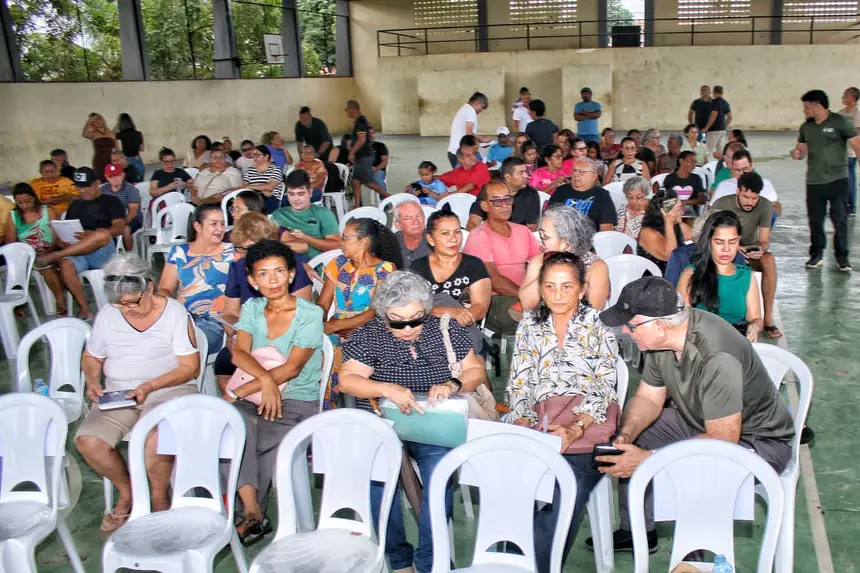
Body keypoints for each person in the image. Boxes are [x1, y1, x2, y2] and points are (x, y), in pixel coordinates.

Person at [592, 276, 794, 552]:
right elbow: (648, 398)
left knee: (695, 472)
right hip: (702, 420)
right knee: (637, 438)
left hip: (758, 442)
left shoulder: (717, 357)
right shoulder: (661, 341)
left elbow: (723, 439)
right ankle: (637, 530)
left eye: (631, 325)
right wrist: (626, 436)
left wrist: (648, 460)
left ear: (660, 325)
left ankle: (699, 555)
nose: (626, 331)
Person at [338, 272, 485, 573]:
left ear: (426, 310)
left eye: (415, 319)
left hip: (433, 424)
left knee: (439, 475)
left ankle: (428, 561)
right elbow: (348, 380)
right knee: (377, 480)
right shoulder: (369, 335)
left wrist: (453, 384)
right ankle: (399, 560)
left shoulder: (444, 328)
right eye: (397, 322)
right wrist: (386, 388)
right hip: (384, 422)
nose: (407, 328)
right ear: (384, 315)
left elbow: (476, 371)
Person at [505, 251, 618, 573]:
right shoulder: (530, 324)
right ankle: (508, 561)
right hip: (538, 421)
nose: (557, 295)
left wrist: (574, 428)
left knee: (563, 493)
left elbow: (604, 386)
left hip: (587, 424)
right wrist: (525, 422)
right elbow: (519, 382)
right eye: (550, 286)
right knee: (506, 488)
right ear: (540, 288)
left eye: (566, 287)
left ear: (582, 289)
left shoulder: (599, 325)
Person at [74, 253, 200, 533]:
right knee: (88, 442)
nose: (127, 309)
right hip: (120, 393)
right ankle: (128, 491)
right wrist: (92, 381)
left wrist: (149, 387)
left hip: (169, 388)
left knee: (155, 437)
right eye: (120, 304)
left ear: (150, 287)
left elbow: (190, 367)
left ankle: (158, 497)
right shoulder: (109, 314)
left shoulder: (175, 313)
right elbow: (92, 357)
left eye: (133, 302)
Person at [226, 240, 322, 543]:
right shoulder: (252, 308)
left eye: (279, 271)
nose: (273, 280)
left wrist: (243, 389)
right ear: (252, 280)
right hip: (256, 394)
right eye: (263, 274)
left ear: (291, 274)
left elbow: (292, 368)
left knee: (260, 440)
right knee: (231, 428)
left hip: (297, 397)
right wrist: (266, 382)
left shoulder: (310, 314)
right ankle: (253, 510)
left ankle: (251, 514)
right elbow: (239, 353)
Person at [216, 215, 312, 389]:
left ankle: (263, 398)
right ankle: (238, 403)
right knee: (224, 362)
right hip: (249, 336)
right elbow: (229, 313)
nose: (247, 254)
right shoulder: (238, 268)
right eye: (241, 249)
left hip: (285, 336)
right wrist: (235, 334)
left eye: (251, 248)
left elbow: (303, 313)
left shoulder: (291, 266)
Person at [318, 219, 401, 409]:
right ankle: (326, 409)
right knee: (320, 346)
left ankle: (361, 406)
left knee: (346, 348)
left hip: (369, 330)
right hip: (335, 328)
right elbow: (323, 303)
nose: (341, 242)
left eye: (345, 238)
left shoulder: (385, 270)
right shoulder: (337, 264)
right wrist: (319, 323)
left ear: (363, 241)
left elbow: (373, 311)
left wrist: (335, 326)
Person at [37, 167, 126, 320]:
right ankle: (84, 309)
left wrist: (92, 235)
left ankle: (56, 256)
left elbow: (119, 228)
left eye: (87, 186)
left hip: (102, 251)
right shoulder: (75, 205)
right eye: (79, 187)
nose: (83, 191)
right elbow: (67, 227)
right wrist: (63, 240)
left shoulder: (111, 201)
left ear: (97, 183)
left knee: (101, 234)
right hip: (78, 250)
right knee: (65, 264)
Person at [792, 89, 860, 271]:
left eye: (807, 107)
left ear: (818, 105)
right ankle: (816, 255)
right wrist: (797, 153)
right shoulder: (806, 127)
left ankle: (842, 258)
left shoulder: (840, 122)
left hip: (838, 179)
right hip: (814, 181)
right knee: (815, 220)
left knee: (840, 220)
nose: (804, 111)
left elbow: (857, 145)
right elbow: (801, 149)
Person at [463, 181, 542, 335]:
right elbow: (493, 280)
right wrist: (527, 295)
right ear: (485, 206)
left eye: (508, 199)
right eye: (497, 202)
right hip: (493, 300)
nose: (505, 205)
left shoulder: (522, 231)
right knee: (535, 318)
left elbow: (541, 263)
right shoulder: (479, 236)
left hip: (525, 295)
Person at [711, 171, 781, 338]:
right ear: (738, 191)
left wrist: (759, 250)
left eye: (754, 198)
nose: (750, 202)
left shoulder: (765, 206)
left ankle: (767, 319)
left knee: (769, 260)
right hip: (724, 250)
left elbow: (764, 240)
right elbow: (709, 236)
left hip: (749, 251)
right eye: (745, 197)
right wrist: (734, 247)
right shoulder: (721, 204)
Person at [158, 204, 234, 354]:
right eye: (214, 224)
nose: (220, 229)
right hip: (182, 318)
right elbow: (165, 288)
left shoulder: (232, 252)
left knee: (180, 347)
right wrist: (166, 311)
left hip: (215, 322)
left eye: (222, 223)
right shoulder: (180, 252)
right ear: (198, 226)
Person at [410, 207, 491, 347]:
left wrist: (459, 320)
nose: (453, 239)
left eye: (457, 232)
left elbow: (480, 307)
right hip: (426, 331)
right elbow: (412, 306)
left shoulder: (474, 265)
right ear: (431, 239)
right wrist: (447, 312)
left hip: (463, 331)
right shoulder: (418, 267)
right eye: (445, 233)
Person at [676, 210, 762, 342]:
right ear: (709, 242)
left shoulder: (747, 276)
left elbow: (756, 318)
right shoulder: (690, 274)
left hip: (736, 342)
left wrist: (754, 327)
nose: (726, 249)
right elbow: (681, 319)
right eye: (719, 242)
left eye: (732, 242)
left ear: (739, 241)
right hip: (701, 342)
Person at [521, 204, 610, 312]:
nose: (540, 241)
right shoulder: (539, 261)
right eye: (541, 235)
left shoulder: (596, 267)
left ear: (566, 241)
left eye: (545, 237)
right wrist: (548, 267)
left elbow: (594, 310)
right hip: (541, 319)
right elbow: (526, 304)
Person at [5, 183, 65, 315]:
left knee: (46, 266)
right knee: (16, 267)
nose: (25, 206)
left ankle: (60, 302)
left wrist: (48, 251)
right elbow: (11, 244)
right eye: (20, 203)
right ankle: (18, 302)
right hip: (28, 254)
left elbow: (57, 236)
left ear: (34, 197)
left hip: (51, 249)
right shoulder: (13, 216)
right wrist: (27, 254)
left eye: (28, 201)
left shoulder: (47, 211)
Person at [271, 170, 340, 259]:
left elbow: (337, 246)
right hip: (285, 261)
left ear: (310, 193)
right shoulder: (278, 214)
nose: (296, 199)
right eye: (291, 194)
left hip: (317, 262)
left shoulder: (323, 214)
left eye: (301, 194)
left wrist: (306, 238)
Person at [466, 156, 540, 231]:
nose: (526, 176)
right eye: (521, 173)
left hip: (519, 235)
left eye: (525, 172)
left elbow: (531, 227)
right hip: (491, 234)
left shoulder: (532, 194)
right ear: (508, 177)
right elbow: (473, 222)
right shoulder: (489, 190)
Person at [549, 158, 617, 232]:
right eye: (574, 170)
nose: (575, 174)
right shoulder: (561, 190)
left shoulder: (602, 195)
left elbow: (606, 229)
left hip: (590, 237)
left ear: (593, 176)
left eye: (581, 172)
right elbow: (550, 218)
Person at [636, 189, 693, 275]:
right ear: (665, 212)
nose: (682, 212)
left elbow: (700, 238)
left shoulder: (678, 225)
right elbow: (670, 256)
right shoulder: (647, 232)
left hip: (676, 276)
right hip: (654, 279)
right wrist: (668, 222)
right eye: (678, 209)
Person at [710, 149, 782, 215]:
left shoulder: (765, 184)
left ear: (751, 166)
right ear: (732, 170)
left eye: (745, 169)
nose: (742, 173)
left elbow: (777, 211)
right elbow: (711, 211)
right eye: (738, 170)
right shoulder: (724, 185)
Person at [345, 100, 389, 205]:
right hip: (361, 157)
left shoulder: (360, 122)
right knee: (356, 181)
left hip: (364, 156)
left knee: (369, 183)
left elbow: (362, 140)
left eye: (347, 110)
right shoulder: (358, 122)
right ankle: (357, 206)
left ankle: (389, 197)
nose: (347, 112)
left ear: (352, 109)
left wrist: (351, 152)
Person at [102, 163, 142, 251]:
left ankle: (129, 255)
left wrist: (120, 224)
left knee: (126, 230)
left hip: (132, 219)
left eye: (117, 175)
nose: (115, 179)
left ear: (123, 175)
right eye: (111, 176)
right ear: (107, 177)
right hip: (111, 219)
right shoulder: (103, 190)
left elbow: (133, 212)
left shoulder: (131, 189)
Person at [447, 92, 492, 168]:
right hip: (462, 153)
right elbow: (469, 133)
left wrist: (480, 141)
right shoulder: (471, 111)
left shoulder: (464, 109)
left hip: (454, 152)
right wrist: (482, 140)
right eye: (482, 107)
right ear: (477, 103)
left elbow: (468, 134)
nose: (481, 110)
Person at [662, 150, 706, 217]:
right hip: (673, 211)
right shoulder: (670, 178)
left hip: (691, 212)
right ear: (681, 161)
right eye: (691, 161)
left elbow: (702, 199)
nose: (693, 164)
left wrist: (685, 202)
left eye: (695, 162)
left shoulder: (696, 178)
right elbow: (664, 199)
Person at [838, 87, 860, 216]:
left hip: (851, 151)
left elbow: (857, 134)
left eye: (846, 95)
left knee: (850, 178)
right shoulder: (840, 113)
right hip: (839, 150)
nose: (843, 97)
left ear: (853, 98)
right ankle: (841, 204)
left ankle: (851, 207)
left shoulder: (857, 114)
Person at [243, 145, 285, 214]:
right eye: (253, 154)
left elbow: (270, 186)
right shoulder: (250, 170)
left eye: (257, 155)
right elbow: (244, 186)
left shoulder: (275, 169)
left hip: (270, 199)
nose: (254, 157)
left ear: (266, 156)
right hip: (253, 198)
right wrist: (262, 189)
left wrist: (250, 187)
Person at [394, 201, 431, 268]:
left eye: (418, 216)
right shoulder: (391, 242)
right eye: (408, 218)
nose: (416, 222)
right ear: (398, 225)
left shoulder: (436, 240)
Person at [82, 113, 115, 179]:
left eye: (98, 119)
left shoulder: (111, 133)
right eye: (94, 121)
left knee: (113, 178)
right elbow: (84, 134)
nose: (97, 122)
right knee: (101, 178)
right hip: (100, 160)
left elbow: (117, 148)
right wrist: (89, 121)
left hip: (111, 159)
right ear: (92, 123)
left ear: (102, 119)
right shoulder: (93, 134)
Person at [703, 85, 732, 160]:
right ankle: (722, 164)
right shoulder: (725, 103)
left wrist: (706, 127)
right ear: (722, 93)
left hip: (713, 129)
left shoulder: (714, 102)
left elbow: (714, 115)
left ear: (714, 92)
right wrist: (724, 126)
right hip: (722, 130)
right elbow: (729, 117)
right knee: (721, 150)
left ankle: (707, 166)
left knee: (708, 150)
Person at [114, 113, 145, 178]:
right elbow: (142, 149)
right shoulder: (138, 133)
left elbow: (111, 134)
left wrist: (118, 124)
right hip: (137, 158)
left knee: (127, 179)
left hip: (126, 159)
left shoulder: (121, 134)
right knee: (140, 178)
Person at [370, 127, 389, 194]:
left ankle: (384, 198)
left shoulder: (380, 146)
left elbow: (385, 161)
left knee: (378, 179)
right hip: (364, 171)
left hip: (378, 170)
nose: (371, 135)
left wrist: (376, 168)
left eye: (372, 133)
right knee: (354, 180)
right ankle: (358, 200)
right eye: (369, 133)